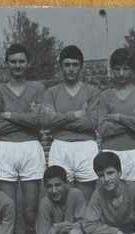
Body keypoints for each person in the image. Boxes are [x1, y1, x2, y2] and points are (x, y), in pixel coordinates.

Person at [0, 44, 46, 234]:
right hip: (6, 149)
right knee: (7, 213)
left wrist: (10, 116)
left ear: (28, 63)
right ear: (6, 63)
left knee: (30, 213)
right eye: (13, 61)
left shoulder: (38, 88)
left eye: (21, 61)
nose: (17, 65)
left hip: (31, 148)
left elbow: (40, 121)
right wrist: (27, 120)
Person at [41, 45, 100, 203]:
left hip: (86, 145)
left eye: (75, 65)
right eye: (67, 65)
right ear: (61, 67)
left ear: (81, 66)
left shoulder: (92, 91)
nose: (71, 69)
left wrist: (59, 119)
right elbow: (47, 121)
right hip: (60, 145)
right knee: (58, 199)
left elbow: (92, 122)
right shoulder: (51, 92)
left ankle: (82, 228)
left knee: (85, 200)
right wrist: (77, 114)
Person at [97, 48, 135, 190]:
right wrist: (134, 122)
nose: (121, 73)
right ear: (111, 70)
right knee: (111, 202)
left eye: (126, 68)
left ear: (132, 70)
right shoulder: (105, 96)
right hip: (110, 152)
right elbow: (102, 128)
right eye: (117, 69)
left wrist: (118, 118)